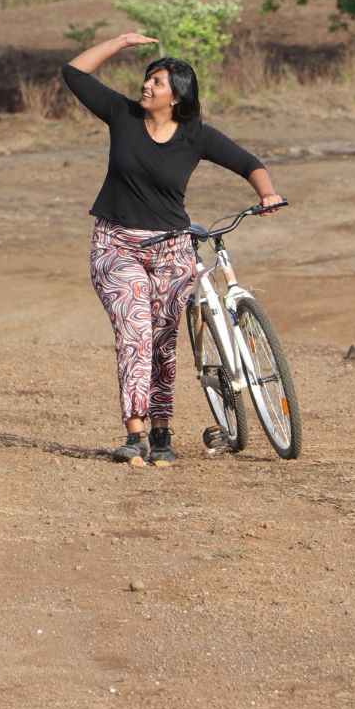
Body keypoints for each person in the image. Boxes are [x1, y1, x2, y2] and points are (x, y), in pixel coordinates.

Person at [63, 33, 284, 464]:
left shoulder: (195, 135)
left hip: (171, 250)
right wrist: (122, 41)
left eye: (158, 81)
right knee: (136, 334)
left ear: (177, 97)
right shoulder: (121, 114)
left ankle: (162, 431)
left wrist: (268, 193)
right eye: (148, 78)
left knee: (164, 343)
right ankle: (136, 432)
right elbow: (73, 72)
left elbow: (247, 162)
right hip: (116, 245)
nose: (147, 85)